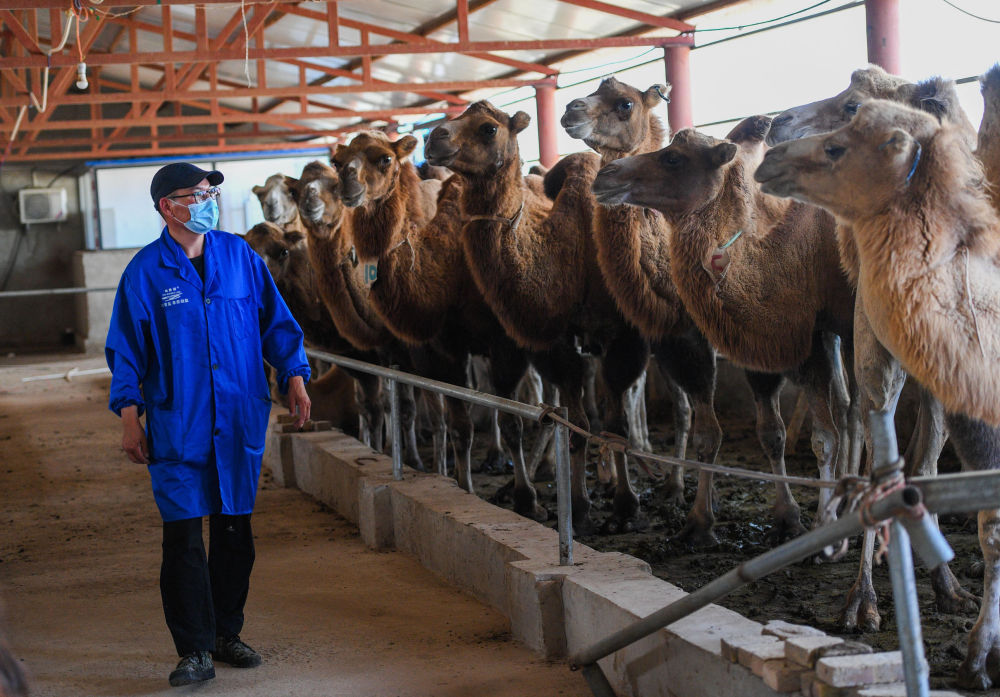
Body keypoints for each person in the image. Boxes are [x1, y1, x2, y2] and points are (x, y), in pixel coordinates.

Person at [105, 162, 312, 687]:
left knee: (234, 533)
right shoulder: (145, 273)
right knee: (183, 540)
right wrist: (130, 416)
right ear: (166, 208)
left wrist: (295, 374)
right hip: (179, 423)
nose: (205, 201)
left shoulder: (239, 256)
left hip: (239, 416)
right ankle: (193, 649)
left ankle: (226, 633)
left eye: (207, 193)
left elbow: (275, 322)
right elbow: (127, 349)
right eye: (192, 195)